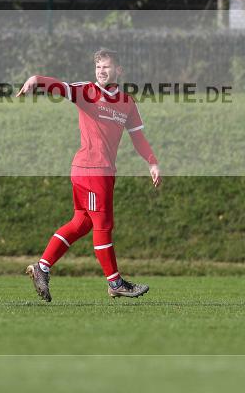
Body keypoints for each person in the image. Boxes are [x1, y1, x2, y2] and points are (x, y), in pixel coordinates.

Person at [17, 48, 161, 302]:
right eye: (98, 67)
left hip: (102, 172)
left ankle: (42, 267)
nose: (101, 71)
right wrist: (37, 80)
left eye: (106, 67)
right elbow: (61, 88)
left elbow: (138, 137)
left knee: (81, 223)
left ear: (119, 70)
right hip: (91, 170)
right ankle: (115, 282)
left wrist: (152, 162)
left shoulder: (127, 102)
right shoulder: (87, 91)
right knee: (103, 226)